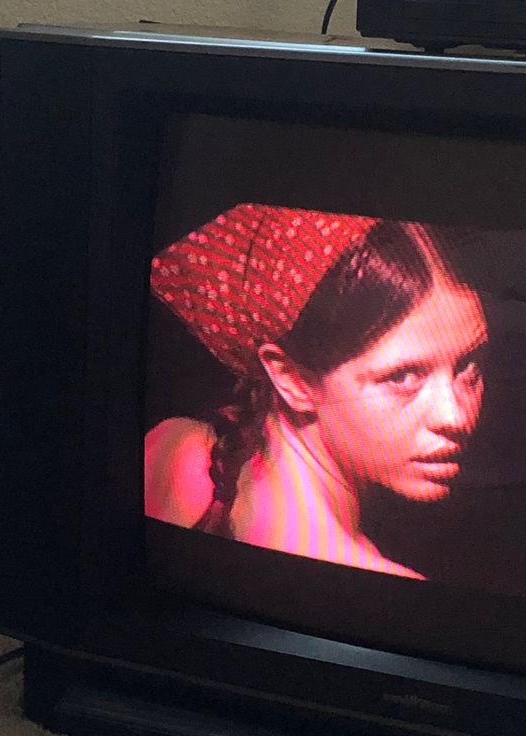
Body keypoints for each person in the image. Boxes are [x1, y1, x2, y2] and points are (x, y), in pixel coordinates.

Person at [145, 203, 488, 579]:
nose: (454, 416)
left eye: (467, 366)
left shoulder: (174, 447)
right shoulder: (380, 590)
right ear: (290, 378)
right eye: (403, 377)